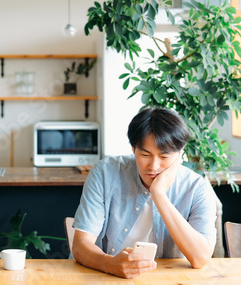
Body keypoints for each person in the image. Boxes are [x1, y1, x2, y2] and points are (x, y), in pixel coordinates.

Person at [72, 107, 217, 279]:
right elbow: (80, 246)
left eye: (164, 157)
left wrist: (159, 194)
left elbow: (200, 258)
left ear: (180, 154)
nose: (153, 166)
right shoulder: (105, 173)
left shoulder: (196, 188)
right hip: (105, 278)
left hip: (168, 280)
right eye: (145, 154)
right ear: (133, 149)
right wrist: (109, 264)